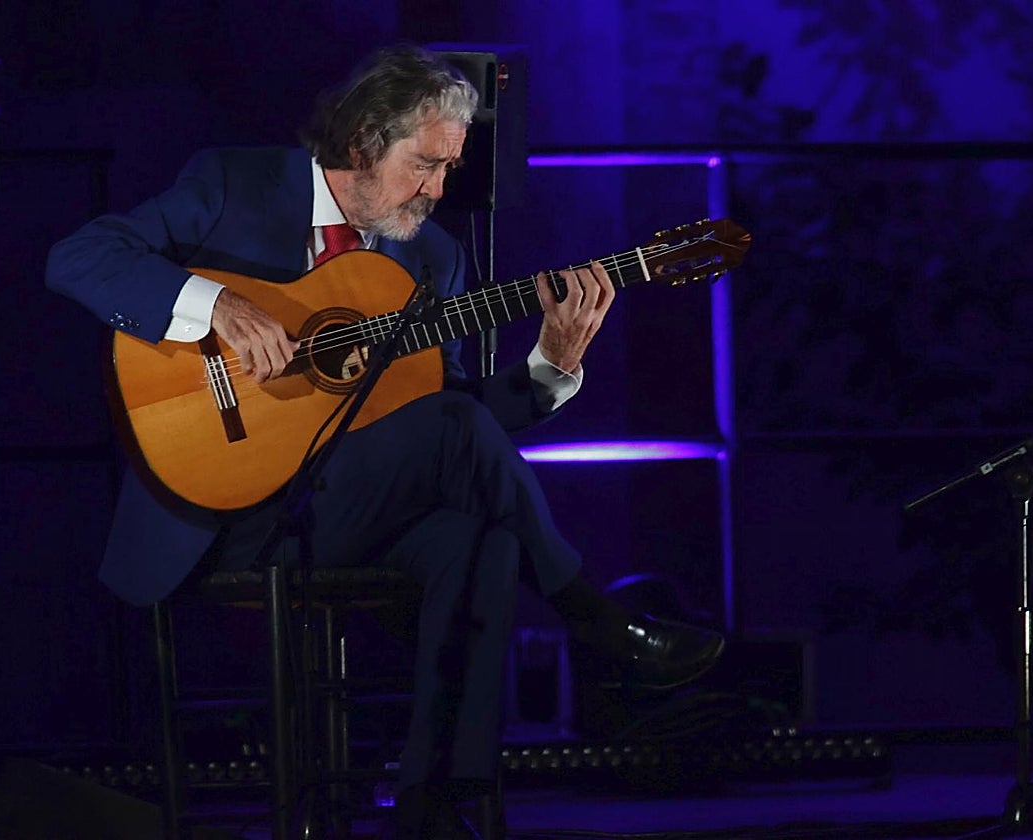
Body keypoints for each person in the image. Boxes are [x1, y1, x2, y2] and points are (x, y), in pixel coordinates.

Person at [45, 43, 724, 838]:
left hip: (343, 508)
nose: (438, 189)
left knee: (481, 540)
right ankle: (592, 616)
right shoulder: (235, 183)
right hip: (225, 505)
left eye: (450, 168)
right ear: (363, 142)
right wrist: (216, 306)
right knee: (470, 485)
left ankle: (434, 804)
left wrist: (552, 366)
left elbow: (454, 417)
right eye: (425, 164)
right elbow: (77, 257)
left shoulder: (433, 258)